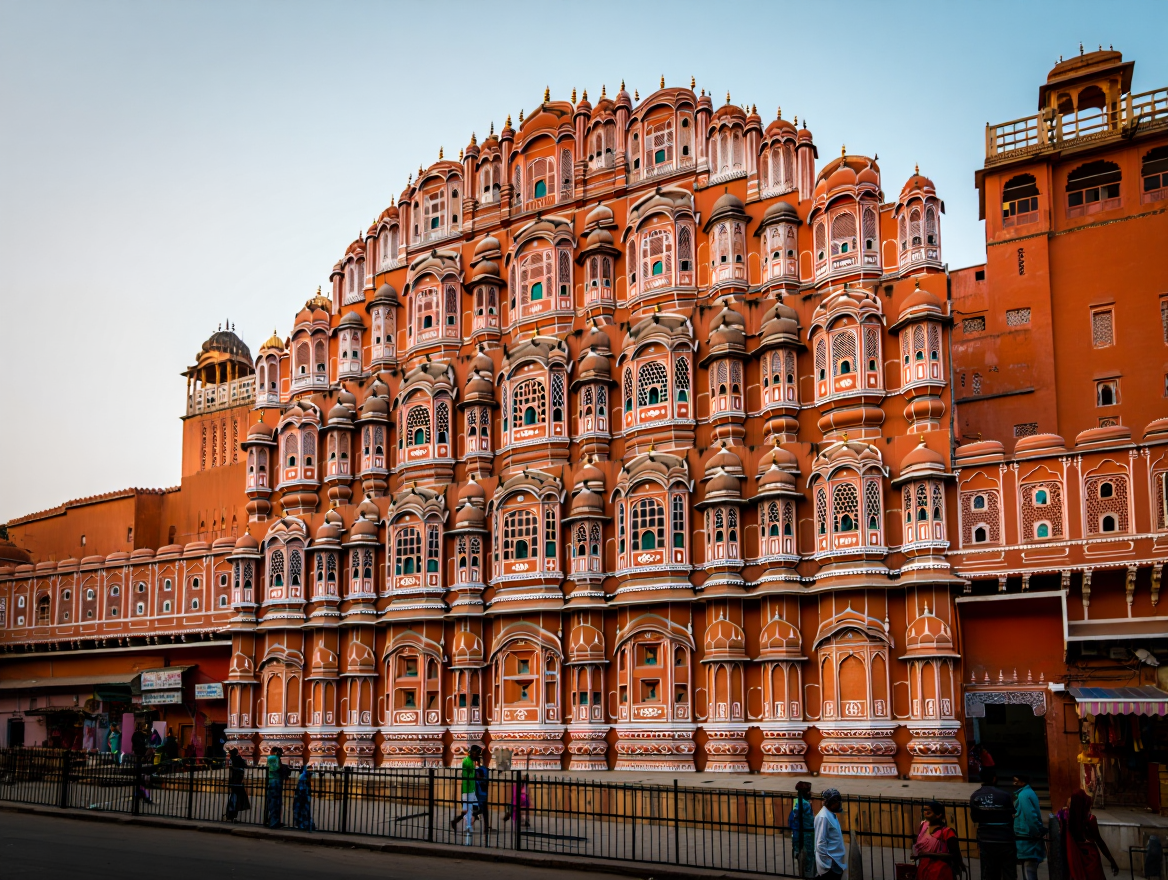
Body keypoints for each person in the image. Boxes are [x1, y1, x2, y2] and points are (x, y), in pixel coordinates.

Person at [1057, 789, 1118, 880]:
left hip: (1074, 860)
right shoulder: (1089, 819)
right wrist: (1111, 860)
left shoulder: (1066, 819)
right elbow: (1099, 841)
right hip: (1090, 859)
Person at [970, 767, 1016, 880]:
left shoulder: (975, 796)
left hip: (986, 838)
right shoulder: (1004, 795)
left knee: (989, 871)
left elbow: (974, 817)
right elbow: (1012, 813)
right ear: (994, 778)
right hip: (1005, 838)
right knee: (1008, 871)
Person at [914, 800, 965, 880]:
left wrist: (929, 854)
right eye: (925, 810)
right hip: (923, 869)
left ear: (938, 815)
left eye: (929, 811)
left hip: (940, 871)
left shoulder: (947, 832)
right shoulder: (923, 826)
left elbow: (954, 854)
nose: (925, 813)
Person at [1013, 774, 1045, 880]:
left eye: (1016, 781)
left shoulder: (1023, 795)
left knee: (1029, 870)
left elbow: (1030, 816)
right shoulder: (1027, 793)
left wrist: (1035, 832)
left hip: (1027, 837)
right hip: (1028, 835)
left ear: (1022, 782)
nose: (1014, 784)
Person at [814, 788, 847, 880]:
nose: (839, 804)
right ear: (830, 802)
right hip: (830, 864)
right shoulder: (823, 817)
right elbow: (820, 842)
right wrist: (826, 864)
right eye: (837, 802)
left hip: (836, 861)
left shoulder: (830, 814)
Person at [451, 744, 481, 842]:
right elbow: (466, 776)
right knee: (468, 809)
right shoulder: (466, 761)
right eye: (477, 753)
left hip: (472, 788)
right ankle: (467, 826)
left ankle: (460, 822)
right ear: (473, 752)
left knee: (472, 808)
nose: (478, 755)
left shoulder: (472, 762)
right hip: (467, 788)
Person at [790, 780, 817, 878]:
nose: (810, 793)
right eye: (808, 791)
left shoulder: (799, 801)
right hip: (805, 835)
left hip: (806, 834)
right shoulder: (802, 804)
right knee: (807, 860)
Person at [264, 747, 292, 828]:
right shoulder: (276, 758)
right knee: (276, 803)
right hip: (277, 782)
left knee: (272, 802)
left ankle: (271, 821)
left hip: (271, 781)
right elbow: (278, 768)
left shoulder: (270, 758)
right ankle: (274, 822)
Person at [224, 748, 250, 822]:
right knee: (236, 798)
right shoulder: (238, 759)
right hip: (238, 780)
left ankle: (231, 815)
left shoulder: (231, 759)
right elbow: (244, 765)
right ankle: (233, 815)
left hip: (234, 780)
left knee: (234, 797)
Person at [473, 750, 491, 835]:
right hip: (482, 793)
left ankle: (485, 826)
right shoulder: (484, 770)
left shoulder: (481, 770)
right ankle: (485, 826)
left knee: (483, 810)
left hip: (481, 793)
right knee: (483, 810)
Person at [292, 763, 315, 831]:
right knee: (303, 811)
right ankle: (304, 825)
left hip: (302, 797)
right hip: (302, 797)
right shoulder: (304, 777)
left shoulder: (304, 776)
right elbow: (302, 789)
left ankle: (303, 824)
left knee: (303, 811)